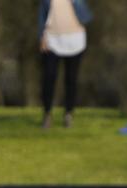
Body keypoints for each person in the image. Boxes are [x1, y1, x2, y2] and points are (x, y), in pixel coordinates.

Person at [38, 0, 93, 129]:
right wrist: (41, 37)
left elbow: (86, 17)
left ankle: (68, 113)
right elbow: (42, 15)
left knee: (71, 79)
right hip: (52, 39)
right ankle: (47, 113)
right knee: (49, 77)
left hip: (75, 39)